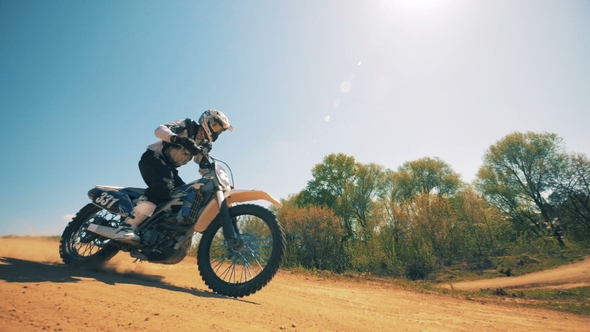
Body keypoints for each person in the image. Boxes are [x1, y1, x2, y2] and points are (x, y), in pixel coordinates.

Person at [114, 109, 233, 243]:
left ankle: (158, 232)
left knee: (183, 198)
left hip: (169, 169)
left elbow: (203, 166)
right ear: (207, 121)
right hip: (153, 158)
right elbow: (159, 130)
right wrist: (179, 139)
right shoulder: (187, 125)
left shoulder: (204, 144)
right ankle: (128, 226)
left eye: (220, 130)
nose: (217, 132)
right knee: (163, 186)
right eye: (217, 127)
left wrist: (216, 182)